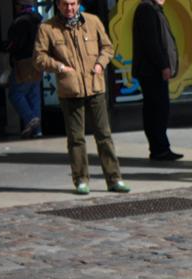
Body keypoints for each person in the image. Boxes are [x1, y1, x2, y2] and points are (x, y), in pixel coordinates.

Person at [34, 0, 129, 194]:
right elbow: (39, 58)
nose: (69, 8)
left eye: (73, 4)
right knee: (76, 138)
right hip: (70, 89)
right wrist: (60, 67)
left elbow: (108, 48)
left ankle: (114, 179)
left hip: (95, 86)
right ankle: (81, 180)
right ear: (58, 6)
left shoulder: (93, 21)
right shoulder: (47, 27)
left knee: (104, 135)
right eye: (65, 4)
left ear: (78, 4)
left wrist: (100, 64)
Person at [132, 0, 182, 161]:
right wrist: (163, 65)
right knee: (157, 110)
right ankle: (159, 148)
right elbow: (151, 43)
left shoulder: (154, 9)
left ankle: (160, 147)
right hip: (151, 71)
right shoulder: (146, 9)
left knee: (158, 109)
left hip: (152, 70)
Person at [2, 0, 42, 138]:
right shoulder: (39, 20)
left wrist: (3, 47)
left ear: (20, 6)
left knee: (15, 94)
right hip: (37, 61)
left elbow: (14, 44)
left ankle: (31, 119)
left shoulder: (20, 21)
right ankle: (37, 131)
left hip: (23, 62)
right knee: (33, 95)